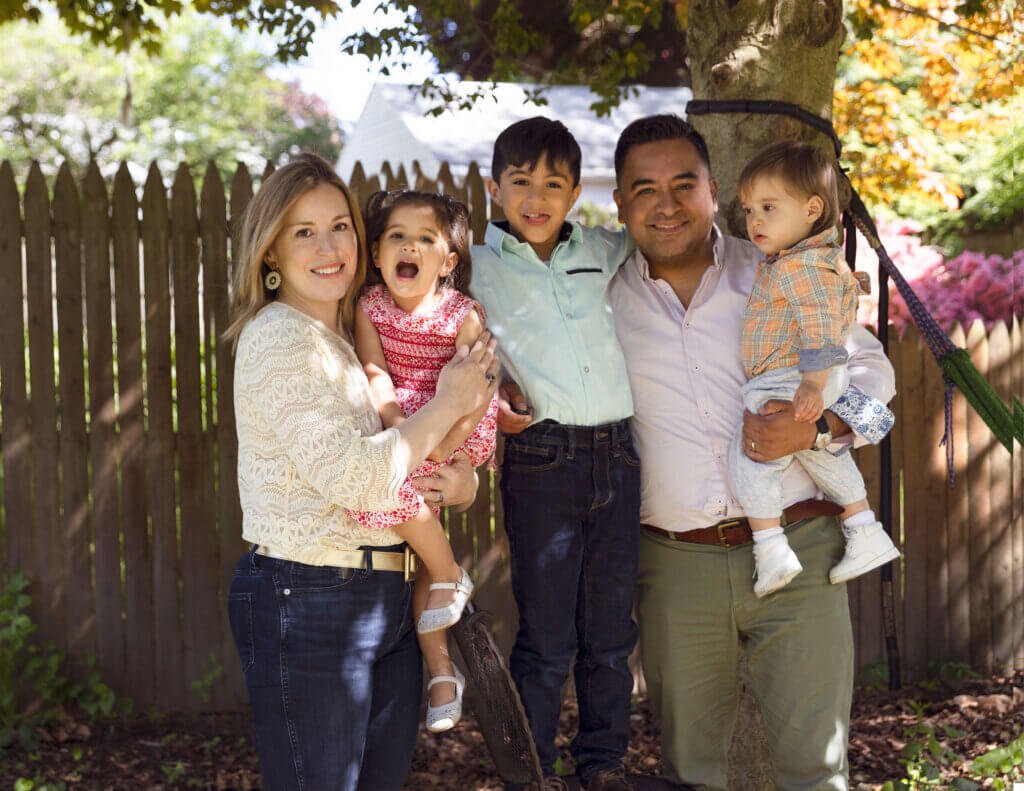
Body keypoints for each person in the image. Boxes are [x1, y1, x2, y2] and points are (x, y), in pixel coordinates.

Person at [606, 116, 896, 790]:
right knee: (691, 771)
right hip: (676, 566)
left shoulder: (780, 271)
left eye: (685, 183)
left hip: (802, 551)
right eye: (644, 188)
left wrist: (821, 427)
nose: (667, 203)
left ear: (715, 191)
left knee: (816, 768)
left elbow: (874, 380)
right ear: (620, 203)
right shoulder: (603, 300)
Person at [224, 153, 499, 790]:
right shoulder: (280, 338)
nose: (329, 246)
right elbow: (355, 478)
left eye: (340, 226)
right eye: (303, 232)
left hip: (388, 598)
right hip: (310, 596)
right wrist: (450, 403)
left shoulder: (348, 339)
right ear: (270, 253)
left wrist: (466, 480)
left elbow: (411, 462)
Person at [470, 117, 639, 791]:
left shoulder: (603, 248)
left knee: (610, 631)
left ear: (574, 193)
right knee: (547, 638)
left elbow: (666, 241)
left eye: (553, 184)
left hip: (620, 456)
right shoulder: (474, 266)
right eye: (521, 183)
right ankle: (532, 772)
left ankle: (603, 764)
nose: (536, 197)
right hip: (542, 460)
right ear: (494, 188)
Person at [349, 189, 499, 733]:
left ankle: (447, 573)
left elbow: (479, 390)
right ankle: (441, 670)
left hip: (459, 425)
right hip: (405, 423)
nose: (409, 246)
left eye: (425, 239)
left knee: (402, 499)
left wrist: (441, 441)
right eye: (397, 237)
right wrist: (398, 427)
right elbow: (374, 370)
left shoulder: (462, 314)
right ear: (377, 254)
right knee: (416, 537)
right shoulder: (370, 306)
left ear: (448, 262)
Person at [731, 140, 900, 596]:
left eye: (768, 207)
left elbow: (829, 332)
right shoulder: (800, 260)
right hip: (803, 378)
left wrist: (816, 390)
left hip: (788, 377)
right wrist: (823, 425)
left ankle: (770, 549)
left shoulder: (798, 266)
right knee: (822, 453)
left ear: (812, 209)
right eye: (748, 210)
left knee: (750, 460)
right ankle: (866, 530)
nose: (755, 221)